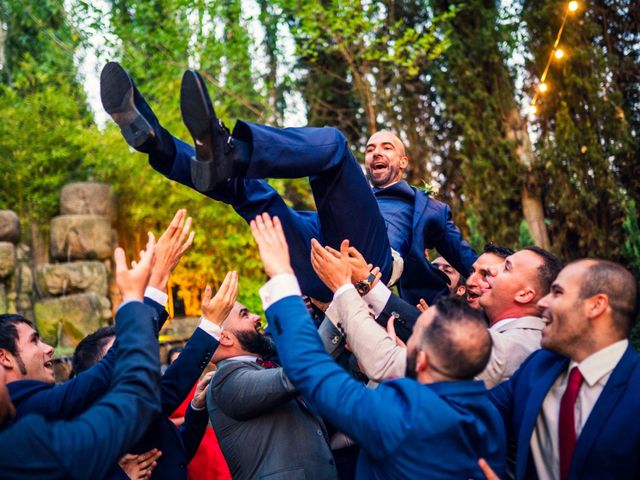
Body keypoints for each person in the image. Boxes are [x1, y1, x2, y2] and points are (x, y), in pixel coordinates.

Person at [100, 61, 477, 305]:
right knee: (254, 196)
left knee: (332, 146)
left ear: (404, 160)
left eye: (387, 147)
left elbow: (475, 266)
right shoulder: (352, 196)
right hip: (318, 248)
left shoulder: (429, 208)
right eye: (372, 147)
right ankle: (160, 145)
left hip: (368, 263)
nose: (376, 152)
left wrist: (509, 282)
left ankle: (232, 153)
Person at [248, 212, 506, 479]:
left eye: (415, 333)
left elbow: (310, 368)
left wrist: (281, 276)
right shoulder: (489, 417)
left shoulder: (401, 415)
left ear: (422, 360)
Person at [0, 233, 161, 479]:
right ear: (4, 358)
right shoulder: (24, 434)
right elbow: (130, 400)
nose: (49, 348)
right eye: (34, 340)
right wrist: (135, 301)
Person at [490, 259, 640, 479]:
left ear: (596, 305)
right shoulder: (538, 366)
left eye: (557, 293)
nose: (542, 302)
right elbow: (479, 410)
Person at [341, 244, 561, 387]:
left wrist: (344, 288)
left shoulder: (513, 346)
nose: (474, 281)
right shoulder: (515, 338)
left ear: (525, 294)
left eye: (505, 269)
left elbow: (388, 363)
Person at [206, 300, 337, 480]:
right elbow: (299, 372)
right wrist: (341, 306)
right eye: (245, 314)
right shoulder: (225, 379)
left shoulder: (266, 366)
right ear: (226, 338)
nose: (257, 317)